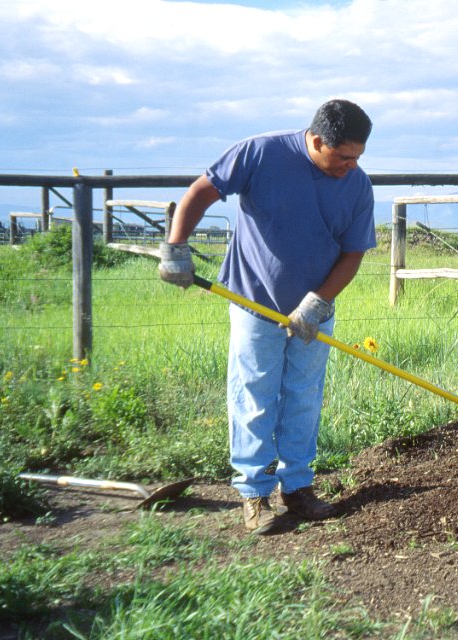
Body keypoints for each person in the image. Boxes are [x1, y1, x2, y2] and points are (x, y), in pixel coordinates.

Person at [158, 99, 376, 534]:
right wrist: (176, 246)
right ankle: (254, 493)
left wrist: (316, 304)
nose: (351, 166)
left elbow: (353, 253)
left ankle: (297, 488)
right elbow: (201, 191)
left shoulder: (357, 186)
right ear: (316, 141)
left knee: (304, 395)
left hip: (313, 312)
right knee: (254, 395)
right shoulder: (260, 154)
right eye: (343, 156)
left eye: (357, 157)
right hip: (254, 301)